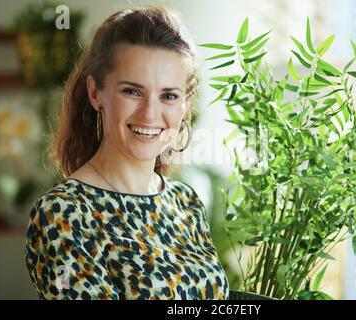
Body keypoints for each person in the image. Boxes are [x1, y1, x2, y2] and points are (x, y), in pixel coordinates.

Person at [25, 6, 229, 300]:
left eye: (169, 96)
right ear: (96, 93)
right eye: (132, 91)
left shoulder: (187, 203)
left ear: (185, 105)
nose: (150, 113)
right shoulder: (63, 215)